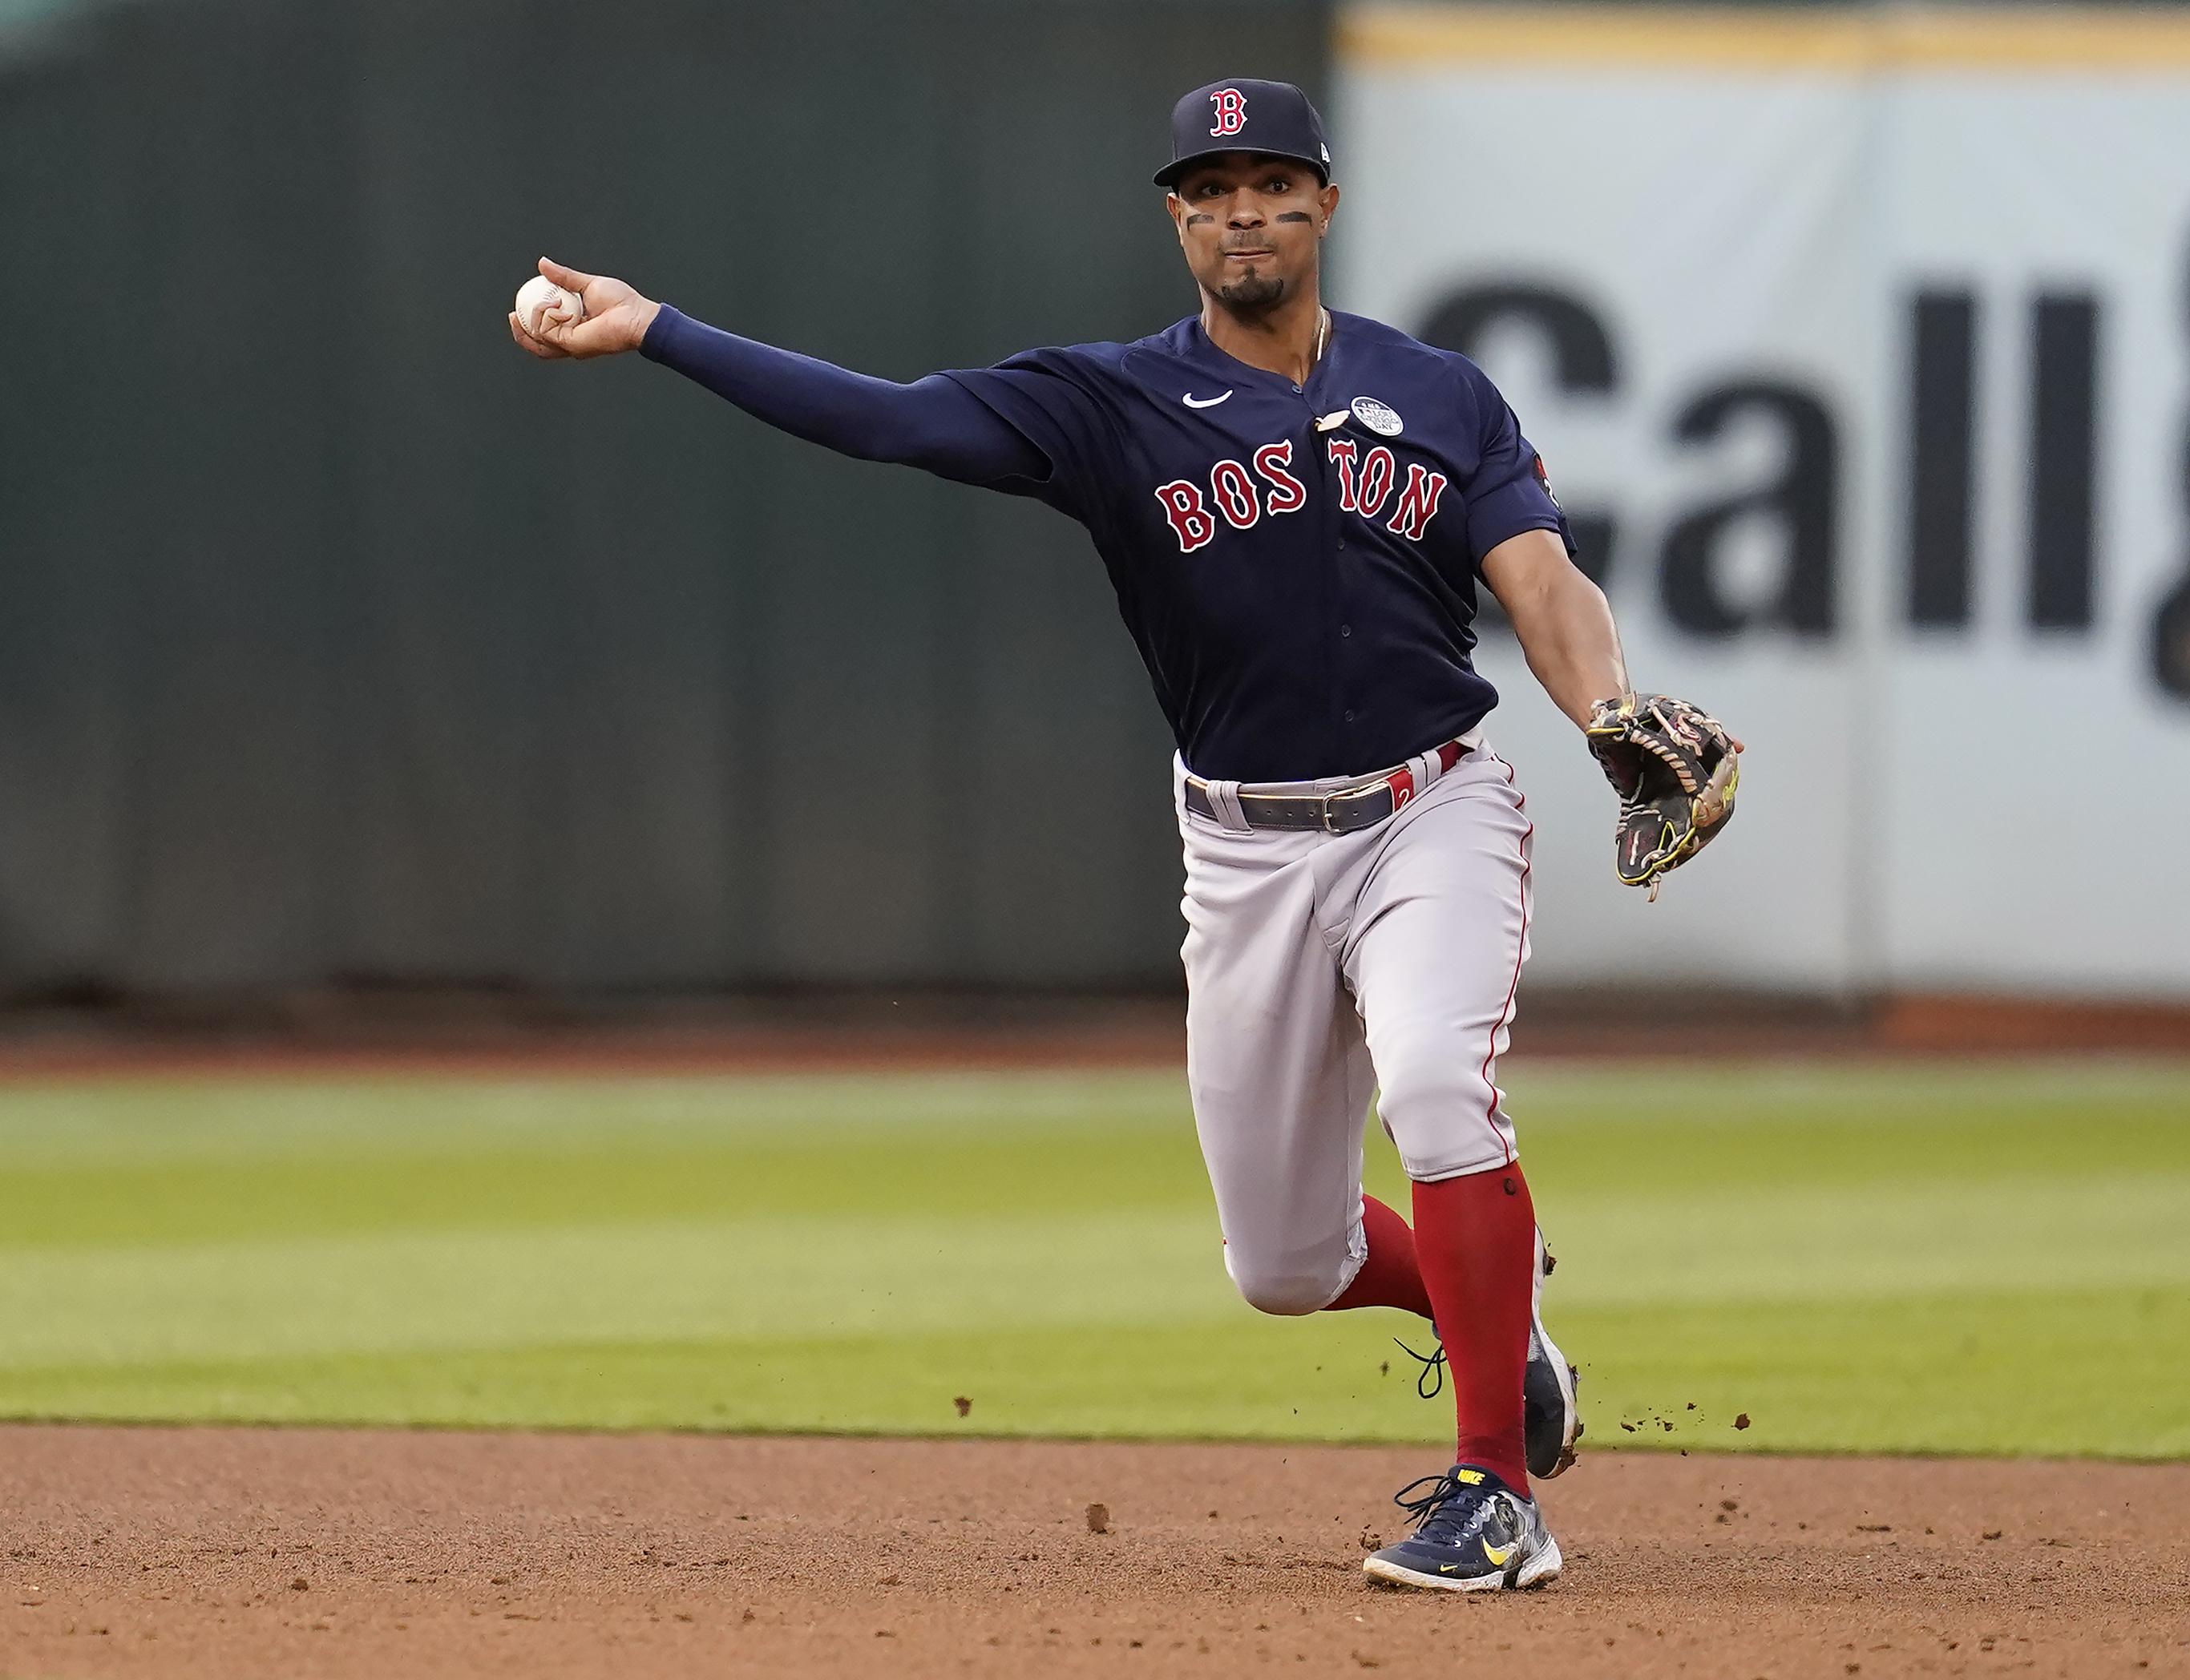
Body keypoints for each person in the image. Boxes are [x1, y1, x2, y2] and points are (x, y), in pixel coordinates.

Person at [510, 76, 1738, 1593]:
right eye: (1210, 188)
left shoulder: (1442, 395)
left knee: (1434, 1085)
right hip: (1241, 845)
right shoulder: (1106, 404)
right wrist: (660, 329)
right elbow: (890, 423)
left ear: (1325, 206)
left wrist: (1607, 710)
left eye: (1272, 182)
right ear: (1176, 218)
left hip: (1434, 809)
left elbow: (1541, 581)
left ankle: (1497, 1492)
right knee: (1286, 1268)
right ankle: (1493, 1320)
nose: (1242, 211)